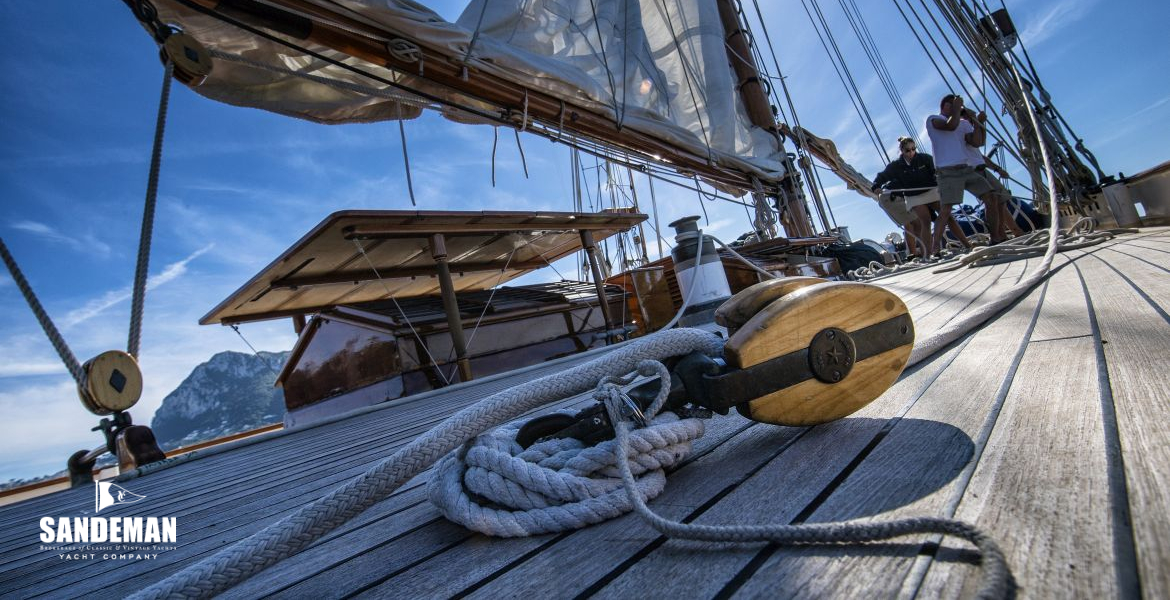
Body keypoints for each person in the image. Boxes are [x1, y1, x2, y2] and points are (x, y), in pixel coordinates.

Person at [926, 94, 999, 251]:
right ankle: (935, 248)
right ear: (945, 105)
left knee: (991, 197)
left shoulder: (963, 123)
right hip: (947, 172)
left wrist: (978, 123)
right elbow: (950, 126)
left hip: (965, 168)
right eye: (954, 105)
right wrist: (958, 108)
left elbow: (977, 142)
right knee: (946, 210)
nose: (959, 108)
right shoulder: (933, 119)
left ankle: (995, 238)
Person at [871, 137, 934, 258]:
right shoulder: (897, 165)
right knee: (917, 223)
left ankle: (919, 253)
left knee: (914, 223)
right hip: (891, 197)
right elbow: (880, 178)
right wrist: (876, 187)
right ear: (902, 151)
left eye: (913, 149)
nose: (911, 153)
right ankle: (922, 253)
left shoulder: (922, 161)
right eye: (907, 150)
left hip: (905, 196)